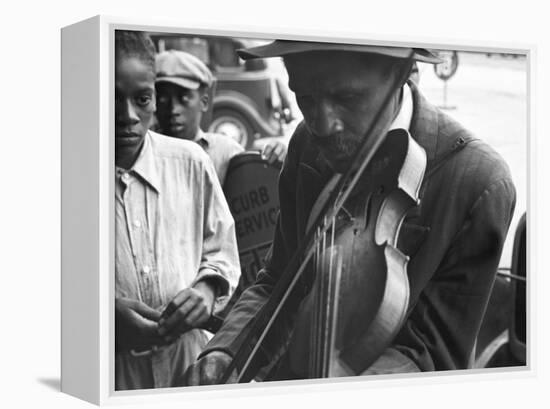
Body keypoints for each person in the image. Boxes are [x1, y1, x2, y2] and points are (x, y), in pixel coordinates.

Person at [182, 40, 516, 384]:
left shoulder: (478, 182)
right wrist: (224, 351)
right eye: (305, 98)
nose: (322, 125)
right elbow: (278, 280)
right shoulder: (305, 144)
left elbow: (432, 357)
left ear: (401, 74)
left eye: (347, 99)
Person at [114, 30, 240, 390]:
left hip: (189, 369)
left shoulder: (191, 162)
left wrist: (206, 290)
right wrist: (103, 318)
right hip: (112, 376)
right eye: (110, 99)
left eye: (142, 99)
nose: (128, 116)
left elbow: (222, 252)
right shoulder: (65, 174)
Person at [154, 49, 287, 185]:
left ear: (204, 102)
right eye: (162, 99)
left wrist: (277, 160)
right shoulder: (146, 155)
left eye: (184, 98)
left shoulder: (225, 152)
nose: (173, 109)